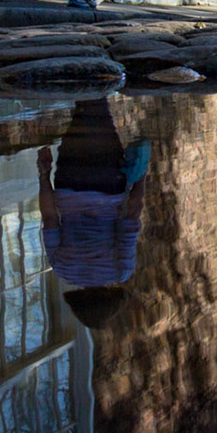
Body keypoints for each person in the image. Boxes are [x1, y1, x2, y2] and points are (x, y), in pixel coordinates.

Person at [38, 98, 151, 331]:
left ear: (109, 300)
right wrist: (44, 174)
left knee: (99, 113)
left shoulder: (121, 271)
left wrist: (141, 176)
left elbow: (132, 214)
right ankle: (81, 75)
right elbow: (50, 218)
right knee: (80, 116)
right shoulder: (61, 269)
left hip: (107, 182)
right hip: (69, 180)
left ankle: (92, 72)